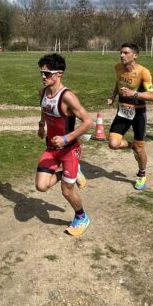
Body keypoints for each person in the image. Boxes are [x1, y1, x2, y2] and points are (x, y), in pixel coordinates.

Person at [35, 53, 93, 237]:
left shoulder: (68, 97)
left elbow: (88, 122)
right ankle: (73, 174)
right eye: (42, 73)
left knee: (67, 192)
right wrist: (41, 126)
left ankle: (81, 216)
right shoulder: (43, 92)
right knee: (41, 186)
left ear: (59, 73)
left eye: (47, 73)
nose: (43, 76)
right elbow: (44, 109)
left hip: (69, 150)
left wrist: (66, 138)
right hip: (51, 149)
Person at [107, 42, 153, 190]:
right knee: (113, 144)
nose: (122, 55)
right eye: (121, 52)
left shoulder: (143, 72)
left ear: (135, 55)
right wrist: (113, 95)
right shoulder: (118, 68)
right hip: (123, 111)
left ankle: (141, 174)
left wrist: (134, 93)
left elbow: (152, 96)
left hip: (138, 113)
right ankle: (131, 145)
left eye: (126, 53)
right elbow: (118, 82)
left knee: (140, 149)